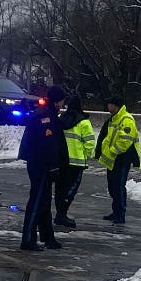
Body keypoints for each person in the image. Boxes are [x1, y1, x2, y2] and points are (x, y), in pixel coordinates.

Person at [17, 85, 68, 251]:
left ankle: (48, 238)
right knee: (37, 201)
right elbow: (48, 145)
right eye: (61, 101)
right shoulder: (45, 117)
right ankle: (28, 239)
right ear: (57, 101)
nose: (62, 104)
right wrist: (54, 167)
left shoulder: (48, 114)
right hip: (41, 165)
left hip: (41, 164)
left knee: (44, 202)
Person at [96, 94, 140, 224]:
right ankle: (116, 212)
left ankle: (120, 214)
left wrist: (112, 151)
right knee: (113, 186)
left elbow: (125, 141)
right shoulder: (114, 119)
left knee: (119, 186)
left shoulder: (126, 119)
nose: (107, 106)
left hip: (122, 159)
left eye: (109, 104)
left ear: (115, 105)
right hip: (113, 159)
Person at [54, 94, 95, 229]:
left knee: (60, 188)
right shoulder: (84, 122)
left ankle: (59, 214)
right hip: (76, 163)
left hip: (61, 161)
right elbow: (89, 144)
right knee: (71, 189)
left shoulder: (61, 119)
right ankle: (62, 215)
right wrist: (85, 155)